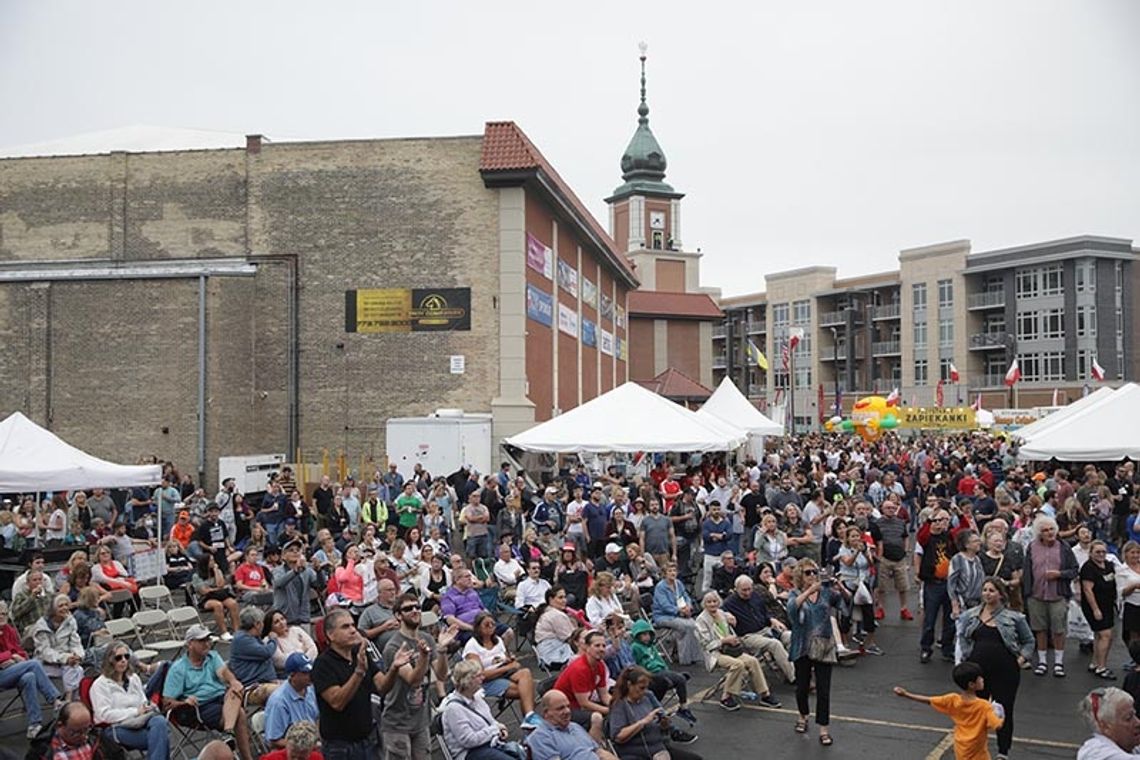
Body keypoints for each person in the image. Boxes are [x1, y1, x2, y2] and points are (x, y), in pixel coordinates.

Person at [312, 607, 412, 758]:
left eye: (353, 625)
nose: (353, 630)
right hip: (340, 747)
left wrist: (394, 668)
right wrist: (358, 672)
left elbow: (382, 687)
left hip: (367, 739)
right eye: (345, 627)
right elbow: (337, 702)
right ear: (330, 635)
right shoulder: (323, 664)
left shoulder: (359, 654)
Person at [957, 578, 1034, 760]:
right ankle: (976, 746)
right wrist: (967, 656)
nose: (987, 594)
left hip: (1005, 671)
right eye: (985, 590)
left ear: (1000, 594)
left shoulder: (1014, 617)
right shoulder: (971, 615)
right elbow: (963, 637)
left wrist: (1021, 660)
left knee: (1003, 709)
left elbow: (1029, 641)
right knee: (976, 710)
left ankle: (1003, 752)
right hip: (978, 673)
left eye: (992, 590)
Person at [162, 624, 254, 760]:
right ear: (190, 644)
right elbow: (166, 703)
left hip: (221, 698)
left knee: (234, 691)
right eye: (202, 641)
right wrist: (183, 702)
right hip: (199, 706)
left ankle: (228, 733)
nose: (207, 644)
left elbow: (223, 672)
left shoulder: (213, 656)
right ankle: (246, 756)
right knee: (239, 713)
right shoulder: (178, 669)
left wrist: (233, 681)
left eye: (208, 639)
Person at [893, 662, 1004, 760]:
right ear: (971, 684)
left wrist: (906, 694)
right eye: (979, 678)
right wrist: (1001, 714)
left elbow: (929, 700)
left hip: (961, 746)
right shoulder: (984, 706)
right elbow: (997, 725)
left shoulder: (952, 699)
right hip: (978, 751)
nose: (982, 679)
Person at [787, 559, 844, 746]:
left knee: (823, 690)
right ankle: (803, 715)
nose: (812, 576)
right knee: (802, 687)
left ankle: (823, 728)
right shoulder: (795, 594)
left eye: (814, 572)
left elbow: (845, 602)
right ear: (800, 576)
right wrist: (809, 591)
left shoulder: (826, 593)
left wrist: (841, 587)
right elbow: (792, 611)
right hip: (802, 645)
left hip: (823, 645)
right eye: (807, 573)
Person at [693, 591, 780, 711]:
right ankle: (726, 697)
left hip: (731, 650)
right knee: (738, 664)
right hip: (715, 653)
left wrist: (733, 634)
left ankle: (765, 695)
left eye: (715, 601)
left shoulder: (722, 614)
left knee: (753, 661)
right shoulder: (701, 620)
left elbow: (730, 626)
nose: (712, 604)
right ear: (704, 604)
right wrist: (724, 641)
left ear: (719, 602)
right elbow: (706, 645)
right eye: (709, 602)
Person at [89, 641, 170, 760]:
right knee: (161, 738)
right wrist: (135, 711)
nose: (123, 660)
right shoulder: (99, 685)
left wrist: (148, 707)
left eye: (126, 657)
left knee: (159, 721)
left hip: (141, 722)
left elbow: (143, 701)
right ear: (109, 661)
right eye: (118, 658)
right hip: (116, 728)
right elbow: (103, 716)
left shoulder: (134, 678)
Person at [462, 611, 541, 729]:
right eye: (486, 625)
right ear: (478, 628)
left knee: (526, 673)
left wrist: (509, 660)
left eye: (493, 624)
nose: (490, 627)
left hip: (503, 673)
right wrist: (508, 667)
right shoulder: (472, 646)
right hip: (484, 682)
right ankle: (530, 719)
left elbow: (503, 658)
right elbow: (480, 674)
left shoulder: (497, 640)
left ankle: (529, 717)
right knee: (525, 691)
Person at [1021, 515, 1078, 677]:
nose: (1049, 532)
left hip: (1058, 595)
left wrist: (1059, 574)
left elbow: (1074, 570)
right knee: (1040, 630)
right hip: (1036, 595)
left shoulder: (1064, 547)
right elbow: (1027, 572)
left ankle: (1058, 663)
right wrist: (1027, 593)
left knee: (1059, 630)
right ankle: (1042, 661)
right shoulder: (1032, 547)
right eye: (1045, 530)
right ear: (1039, 533)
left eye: (1051, 529)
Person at [607, 666, 704, 760]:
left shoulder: (647, 697)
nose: (644, 691)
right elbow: (618, 737)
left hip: (658, 746)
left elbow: (661, 724)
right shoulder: (620, 705)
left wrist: (664, 724)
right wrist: (643, 722)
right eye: (641, 688)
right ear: (629, 685)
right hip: (636, 751)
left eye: (646, 688)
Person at [0, 598, 63, 738]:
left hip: (13, 669)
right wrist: (10, 656)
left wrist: (17, 658)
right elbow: (11, 654)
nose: (2, 616)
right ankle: (55, 699)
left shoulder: (8, 630)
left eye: (4, 613)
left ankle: (34, 725)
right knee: (34, 664)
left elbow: (20, 651)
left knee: (30, 677)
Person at [440, 658, 520, 760]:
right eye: (478, 676)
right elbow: (469, 740)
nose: (483, 678)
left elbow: (490, 721)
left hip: (490, 745)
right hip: (470, 754)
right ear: (467, 680)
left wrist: (500, 727)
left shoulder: (477, 698)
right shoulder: (453, 709)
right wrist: (495, 730)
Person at [721, 575, 795, 683]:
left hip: (765, 629)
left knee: (790, 636)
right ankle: (795, 677)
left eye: (749, 589)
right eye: (744, 590)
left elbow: (765, 613)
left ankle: (793, 670)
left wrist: (772, 620)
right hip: (748, 636)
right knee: (775, 644)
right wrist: (726, 615)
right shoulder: (729, 603)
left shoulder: (755, 596)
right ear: (736, 589)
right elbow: (719, 613)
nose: (747, 593)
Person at [627, 620, 697, 725]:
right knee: (678, 679)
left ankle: (679, 702)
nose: (647, 637)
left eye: (648, 634)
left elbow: (659, 660)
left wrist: (666, 669)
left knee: (680, 677)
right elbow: (636, 664)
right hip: (650, 673)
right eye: (644, 634)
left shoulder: (651, 646)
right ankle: (683, 708)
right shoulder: (635, 647)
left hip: (660, 671)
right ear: (637, 635)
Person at [552, 630, 612, 744]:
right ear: (587, 647)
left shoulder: (599, 665)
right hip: (565, 708)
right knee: (597, 718)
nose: (601, 649)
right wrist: (609, 710)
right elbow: (584, 704)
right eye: (597, 645)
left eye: (604, 646)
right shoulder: (580, 669)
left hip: (579, 705)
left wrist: (617, 704)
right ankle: (593, 748)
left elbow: (604, 695)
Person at [526, 690, 619, 760]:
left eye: (568, 706)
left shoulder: (575, 726)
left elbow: (599, 752)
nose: (567, 711)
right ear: (546, 713)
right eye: (560, 708)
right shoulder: (540, 737)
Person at [916, 507, 957, 663]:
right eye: (939, 520)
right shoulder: (927, 538)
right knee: (930, 619)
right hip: (933, 583)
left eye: (946, 520)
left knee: (950, 618)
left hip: (949, 583)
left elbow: (964, 530)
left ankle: (947, 647)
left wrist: (959, 513)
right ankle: (926, 648)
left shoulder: (950, 536)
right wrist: (931, 519)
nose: (942, 523)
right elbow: (921, 536)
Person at [31, 593, 84, 702]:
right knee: (73, 668)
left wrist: (77, 655)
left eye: (66, 605)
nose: (64, 608)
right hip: (45, 664)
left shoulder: (70, 621)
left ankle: (69, 702)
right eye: (60, 606)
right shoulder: (42, 626)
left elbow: (75, 643)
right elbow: (45, 652)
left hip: (65, 662)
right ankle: (71, 701)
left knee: (75, 667)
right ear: (53, 609)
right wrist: (65, 658)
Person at [263, 653, 319, 749]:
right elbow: (274, 741)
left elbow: (317, 718)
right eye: (305, 673)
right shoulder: (279, 701)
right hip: (293, 751)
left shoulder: (310, 690)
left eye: (311, 671)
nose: (310, 675)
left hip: (313, 742)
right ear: (292, 675)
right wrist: (308, 746)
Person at [651, 563, 702, 666]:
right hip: (663, 616)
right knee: (686, 626)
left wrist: (688, 606)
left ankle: (693, 656)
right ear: (664, 574)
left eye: (674, 571)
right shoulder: (660, 587)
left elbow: (686, 596)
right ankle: (685, 658)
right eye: (670, 571)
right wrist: (680, 611)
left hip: (679, 614)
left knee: (695, 625)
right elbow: (664, 605)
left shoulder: (678, 583)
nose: (673, 573)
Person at [1081, 540, 1118, 679]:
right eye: (1097, 552)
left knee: (1099, 635)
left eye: (1103, 551)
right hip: (1094, 605)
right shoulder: (1088, 568)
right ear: (1090, 553)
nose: (1101, 554)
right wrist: (1095, 609)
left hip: (1108, 605)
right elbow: (1087, 590)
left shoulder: (1109, 565)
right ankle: (1102, 667)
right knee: (1106, 635)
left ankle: (1095, 663)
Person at [229, 607, 281, 704]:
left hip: (268, 682)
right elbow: (266, 652)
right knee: (283, 693)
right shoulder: (242, 639)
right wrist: (273, 640)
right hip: (253, 687)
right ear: (257, 624)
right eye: (262, 622)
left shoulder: (253, 637)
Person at [1077, 687, 1140, 759]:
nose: (1138, 723)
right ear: (1105, 726)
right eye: (1128, 719)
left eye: (1134, 715)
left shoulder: (1127, 745)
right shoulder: (1097, 753)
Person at [192, 554, 240, 641]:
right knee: (218, 605)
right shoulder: (197, 576)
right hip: (205, 598)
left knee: (233, 603)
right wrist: (216, 589)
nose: (213, 562)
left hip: (219, 595)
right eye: (211, 561)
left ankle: (237, 630)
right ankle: (224, 632)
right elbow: (204, 591)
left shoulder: (217, 571)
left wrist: (216, 571)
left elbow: (220, 584)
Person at [273, 539, 317, 630]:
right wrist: (295, 571)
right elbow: (279, 583)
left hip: (303, 618)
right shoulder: (278, 570)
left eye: (298, 550)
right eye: (291, 550)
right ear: (284, 556)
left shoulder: (307, 569)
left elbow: (319, 584)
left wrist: (319, 570)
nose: (295, 552)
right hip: (285, 620)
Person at [534, 586, 579, 669]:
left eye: (565, 597)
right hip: (553, 653)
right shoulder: (556, 615)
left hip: (545, 650)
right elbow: (572, 638)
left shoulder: (548, 611)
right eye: (560, 598)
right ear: (551, 599)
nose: (564, 600)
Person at [264, 609, 318, 674]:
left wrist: (301, 660)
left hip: (309, 668)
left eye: (282, 619)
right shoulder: (269, 640)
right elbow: (281, 661)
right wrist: (301, 651)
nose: (281, 623)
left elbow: (313, 649)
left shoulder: (296, 630)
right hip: (286, 675)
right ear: (270, 627)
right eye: (276, 622)